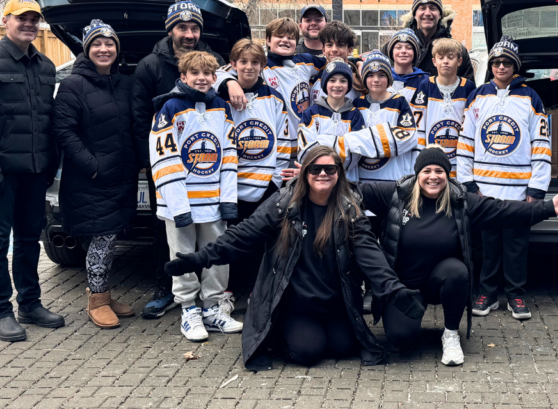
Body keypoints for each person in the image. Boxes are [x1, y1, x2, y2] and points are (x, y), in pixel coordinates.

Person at [164, 146, 424, 371]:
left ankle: (321, 330)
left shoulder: (349, 208)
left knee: (344, 347)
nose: (323, 174)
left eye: (330, 169)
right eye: (315, 169)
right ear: (305, 173)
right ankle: (276, 331)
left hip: (335, 303)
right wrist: (200, 259)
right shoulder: (283, 204)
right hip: (294, 303)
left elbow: (370, 253)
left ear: (339, 174)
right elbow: (242, 235)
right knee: (308, 352)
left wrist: (393, 289)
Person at [359, 146, 558, 365]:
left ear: (448, 174)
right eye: (427, 171)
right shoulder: (396, 194)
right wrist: (326, 182)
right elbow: (352, 190)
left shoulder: (461, 200)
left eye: (440, 171)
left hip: (441, 280)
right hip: (404, 286)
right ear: (417, 175)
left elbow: (503, 210)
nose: (433, 177)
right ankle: (410, 322)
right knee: (401, 340)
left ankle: (451, 334)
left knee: (457, 271)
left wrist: (548, 208)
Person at [0, 0, 64, 342]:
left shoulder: (46, 66)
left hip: (35, 172)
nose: (29, 24)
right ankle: (0, 311)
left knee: (29, 241)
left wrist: (49, 164)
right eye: (22, 18)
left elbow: (48, 121)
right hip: (0, 172)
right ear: (6, 21)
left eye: (34, 19)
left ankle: (30, 303)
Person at [133, 0, 226, 319]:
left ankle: (213, 299)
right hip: (166, 167)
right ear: (170, 29)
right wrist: (151, 166)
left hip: (206, 173)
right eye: (182, 28)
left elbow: (223, 97)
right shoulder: (150, 65)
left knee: (210, 235)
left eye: (194, 28)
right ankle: (168, 290)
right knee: (167, 234)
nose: (189, 34)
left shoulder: (214, 60)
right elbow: (139, 118)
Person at [149, 50, 242, 342]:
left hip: (213, 200)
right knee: (183, 254)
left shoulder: (221, 108)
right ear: (183, 77)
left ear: (215, 77)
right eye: (195, 74)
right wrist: (178, 205)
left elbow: (228, 155)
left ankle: (213, 308)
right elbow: (164, 159)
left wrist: (228, 199)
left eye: (207, 74)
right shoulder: (169, 108)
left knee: (217, 254)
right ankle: (188, 309)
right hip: (181, 202)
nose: (201, 79)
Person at [52, 20, 138, 329]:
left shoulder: (125, 83)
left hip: (122, 177)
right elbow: (64, 130)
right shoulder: (74, 85)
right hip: (92, 178)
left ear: (117, 49)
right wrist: (92, 166)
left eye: (109, 43)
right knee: (102, 239)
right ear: (87, 50)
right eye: (97, 44)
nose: (104, 49)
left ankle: (104, 293)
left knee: (111, 238)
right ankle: (97, 301)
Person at [460, 37, 551, 321]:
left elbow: (542, 144)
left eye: (507, 62)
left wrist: (536, 189)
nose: (501, 66)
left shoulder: (531, 97)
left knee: (516, 245)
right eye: (497, 62)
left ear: (515, 67)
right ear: (491, 66)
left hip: (518, 190)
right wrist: (469, 185)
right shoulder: (478, 95)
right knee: (487, 246)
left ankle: (516, 293)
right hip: (484, 190)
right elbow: (465, 143)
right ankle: (487, 293)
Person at [214, 39, 294, 296]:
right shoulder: (218, 95)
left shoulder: (273, 97)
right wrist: (227, 81)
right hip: (230, 185)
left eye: (255, 62)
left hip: (264, 187)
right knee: (231, 240)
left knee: (260, 241)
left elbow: (282, 142)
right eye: (243, 62)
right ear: (233, 63)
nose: (249, 67)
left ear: (262, 65)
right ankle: (228, 293)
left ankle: (255, 294)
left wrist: (275, 181)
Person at [298, 60, 415, 182]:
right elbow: (305, 149)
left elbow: (354, 156)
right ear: (325, 84)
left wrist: (324, 142)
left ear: (349, 85)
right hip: (317, 178)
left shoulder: (354, 113)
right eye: (332, 80)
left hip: (347, 181)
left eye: (343, 81)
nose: (337, 85)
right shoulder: (312, 112)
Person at [409, 39, 477, 178]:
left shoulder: (468, 87)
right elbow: (418, 128)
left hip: (459, 163)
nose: (445, 61)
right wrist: (420, 159)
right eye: (441, 57)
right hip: (432, 162)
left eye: (450, 57)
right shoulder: (426, 85)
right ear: (434, 62)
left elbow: (472, 126)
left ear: (459, 61)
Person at [352, 52, 418, 182]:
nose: (376, 80)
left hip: (392, 179)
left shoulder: (399, 102)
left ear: (389, 78)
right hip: (362, 178)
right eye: (370, 75)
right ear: (364, 78)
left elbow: (408, 138)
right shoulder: (357, 104)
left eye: (381, 75)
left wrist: (365, 140)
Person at [261, 17, 327, 144]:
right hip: (275, 145)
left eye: (290, 38)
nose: (285, 40)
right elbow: (222, 73)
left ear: (296, 44)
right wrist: (230, 83)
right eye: (279, 36)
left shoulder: (305, 61)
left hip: (305, 142)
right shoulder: (258, 63)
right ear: (268, 40)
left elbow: (333, 61)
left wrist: (356, 64)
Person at [401, 0, 474, 79]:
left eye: (432, 8)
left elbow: (469, 89)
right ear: (414, 15)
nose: (427, 13)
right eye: (422, 8)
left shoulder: (457, 50)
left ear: (440, 15)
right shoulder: (397, 47)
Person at [310, 20, 362, 103]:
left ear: (349, 50)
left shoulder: (359, 80)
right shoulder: (313, 76)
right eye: (329, 45)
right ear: (323, 49)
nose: (334, 49)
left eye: (340, 45)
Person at [385, 28, 429, 102]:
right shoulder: (383, 78)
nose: (403, 51)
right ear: (392, 53)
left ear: (415, 54)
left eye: (409, 48)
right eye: (398, 47)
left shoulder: (425, 81)